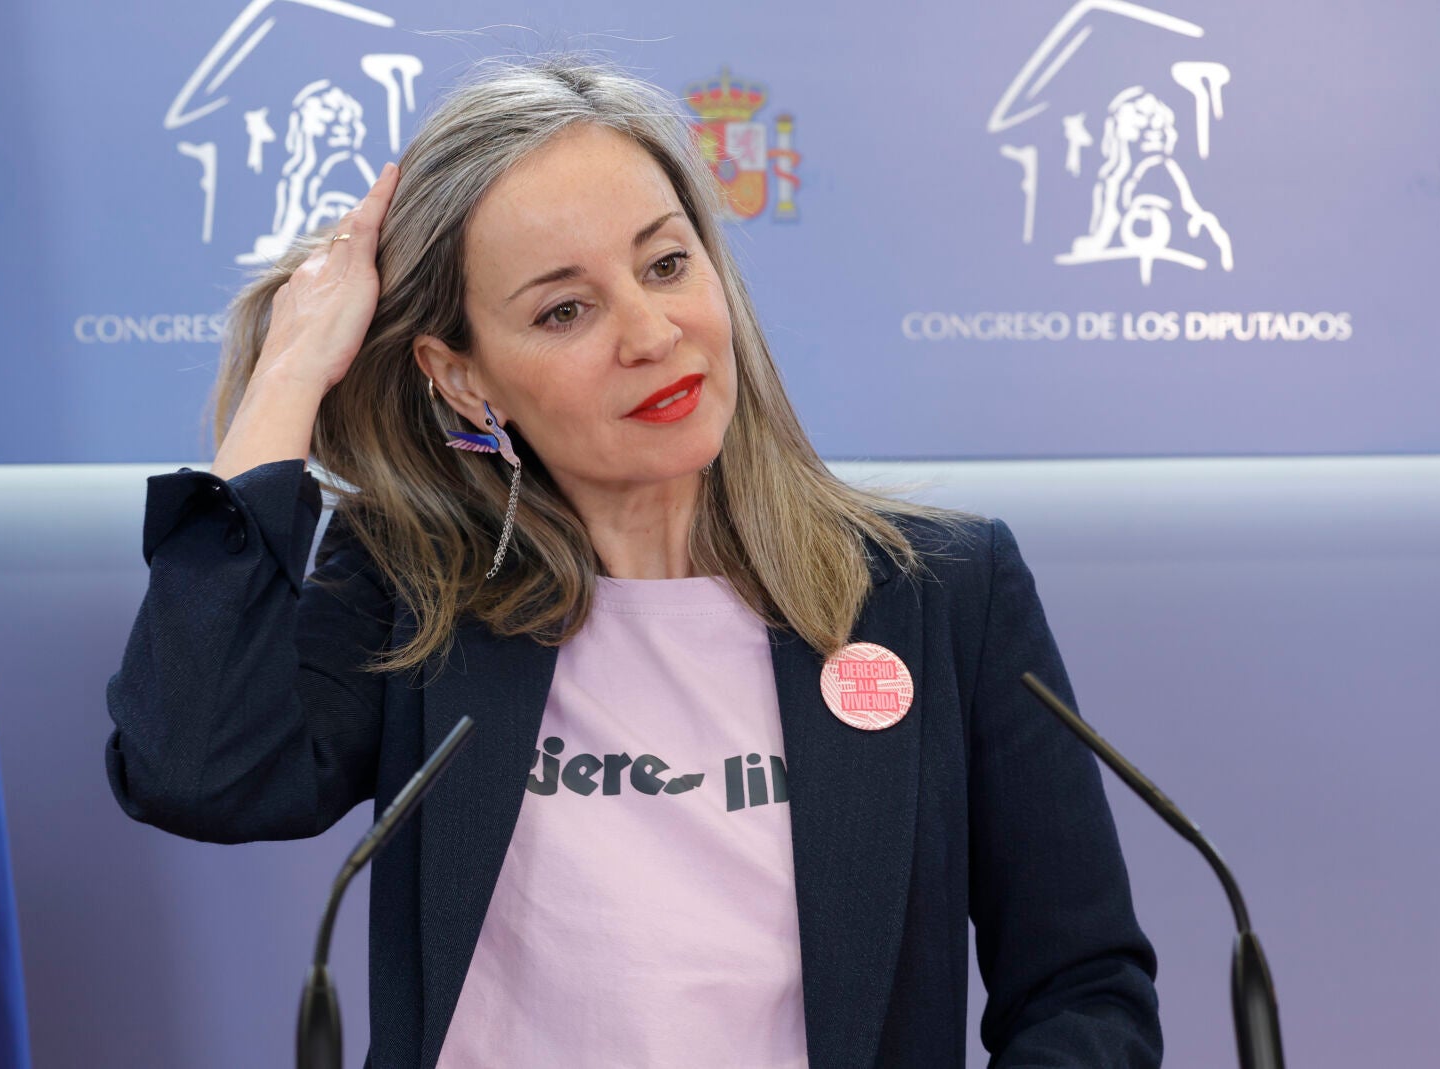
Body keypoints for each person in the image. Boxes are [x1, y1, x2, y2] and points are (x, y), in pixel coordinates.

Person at [105, 54, 1162, 1069]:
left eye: (665, 264)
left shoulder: (937, 593)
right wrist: (289, 373)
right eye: (564, 309)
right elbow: (200, 773)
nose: (651, 333)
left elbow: (1084, 991)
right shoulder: (412, 581)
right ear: (464, 379)